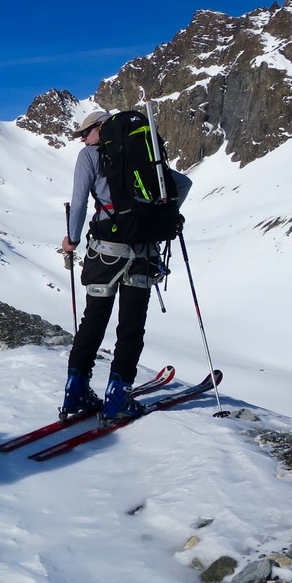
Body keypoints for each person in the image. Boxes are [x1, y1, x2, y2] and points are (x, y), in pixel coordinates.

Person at [59, 110, 192, 423]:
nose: (82, 138)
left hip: (105, 251)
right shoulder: (144, 153)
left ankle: (76, 390)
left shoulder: (89, 156)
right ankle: (118, 396)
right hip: (143, 251)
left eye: (86, 131)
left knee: (94, 319)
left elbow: (78, 202)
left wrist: (72, 239)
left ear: (100, 128)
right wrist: (168, 216)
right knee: (131, 325)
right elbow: (183, 184)